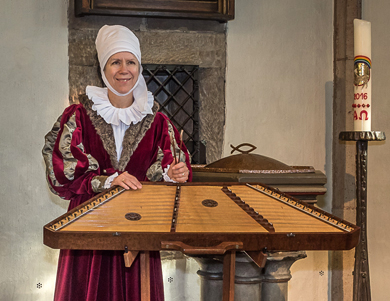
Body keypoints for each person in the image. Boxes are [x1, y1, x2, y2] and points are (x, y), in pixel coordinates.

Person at [42, 25, 192, 301]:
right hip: (89, 226)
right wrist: (109, 180)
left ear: (139, 67)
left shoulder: (156, 120)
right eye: (116, 62)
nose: (124, 69)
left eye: (131, 62)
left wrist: (174, 173)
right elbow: (62, 172)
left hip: (138, 226)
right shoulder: (79, 115)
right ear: (104, 68)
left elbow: (173, 164)